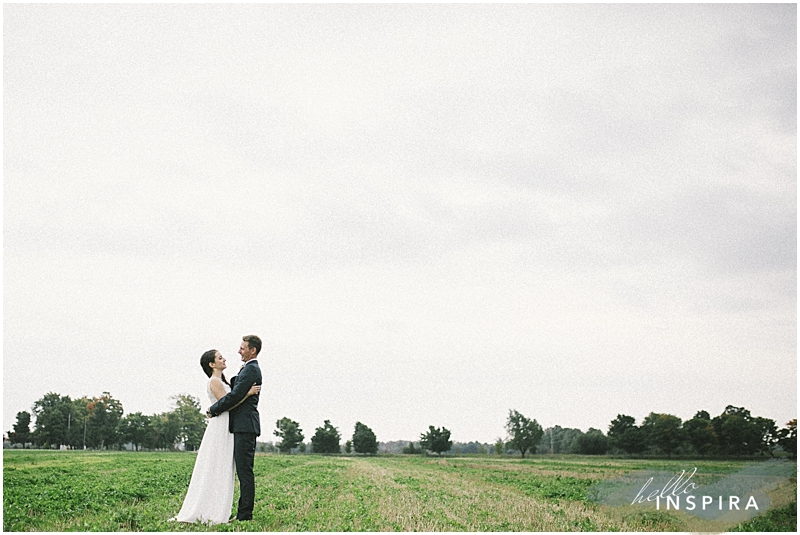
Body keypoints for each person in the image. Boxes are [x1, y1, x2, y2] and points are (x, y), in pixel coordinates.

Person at [173, 350, 260, 524]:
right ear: (211, 364)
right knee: (216, 466)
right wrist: (247, 393)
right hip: (221, 425)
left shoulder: (223, 380)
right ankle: (211, 509)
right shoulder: (214, 381)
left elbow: (230, 398)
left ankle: (219, 507)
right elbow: (228, 403)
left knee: (223, 467)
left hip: (227, 426)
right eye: (220, 358)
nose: (224, 359)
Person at [207, 334, 263, 521]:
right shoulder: (247, 369)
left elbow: (234, 396)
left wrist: (212, 409)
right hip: (240, 426)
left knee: (245, 471)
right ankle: (241, 513)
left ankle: (244, 516)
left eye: (242, 347)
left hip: (245, 426)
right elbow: (238, 392)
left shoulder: (251, 369)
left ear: (252, 350)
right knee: (243, 471)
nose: (239, 350)